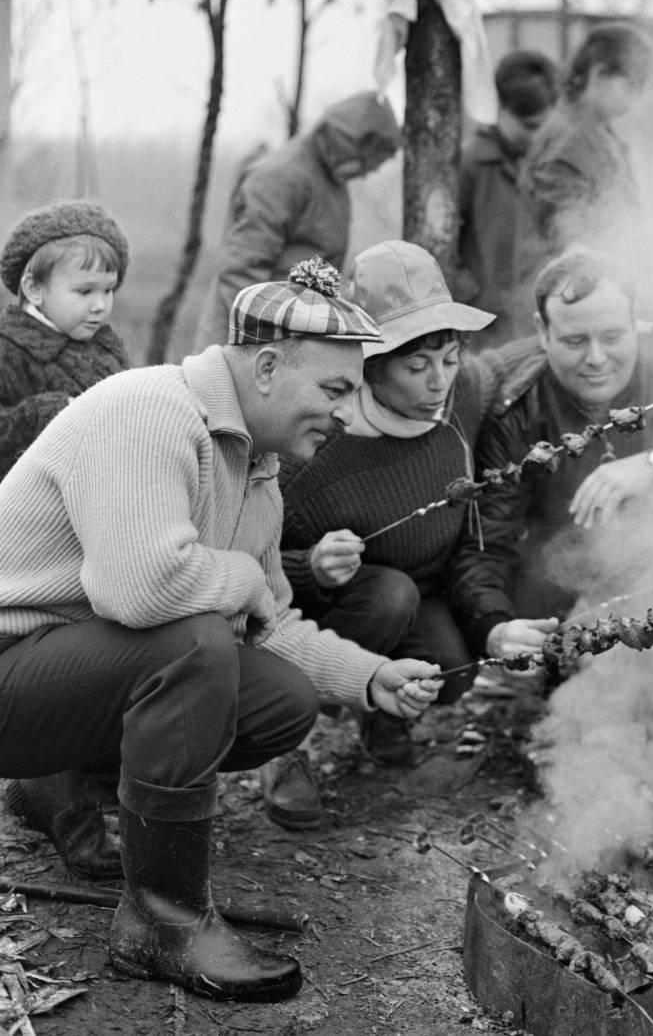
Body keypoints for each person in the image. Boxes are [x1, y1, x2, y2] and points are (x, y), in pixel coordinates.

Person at [0, 258, 441, 1002]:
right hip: (12, 662)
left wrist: (366, 677)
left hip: (64, 670)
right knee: (196, 645)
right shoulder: (150, 411)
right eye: (334, 389)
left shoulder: (255, 466)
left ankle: (64, 782)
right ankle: (162, 919)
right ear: (266, 366)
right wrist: (238, 578)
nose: (344, 414)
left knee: (280, 699)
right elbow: (143, 591)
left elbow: (266, 621)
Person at [271, 242, 496, 804]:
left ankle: (381, 711)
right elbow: (255, 563)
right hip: (334, 606)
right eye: (417, 366)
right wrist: (312, 566)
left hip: (425, 595)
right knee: (389, 596)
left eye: (449, 359)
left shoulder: (463, 395)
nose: (438, 382)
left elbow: (515, 366)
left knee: (455, 663)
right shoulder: (319, 447)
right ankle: (281, 740)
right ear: (370, 365)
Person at [446, 247, 653, 667]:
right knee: (555, 650)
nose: (597, 359)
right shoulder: (517, 412)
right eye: (575, 340)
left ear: (636, 323)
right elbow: (487, 543)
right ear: (543, 332)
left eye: (613, 337)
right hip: (558, 569)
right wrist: (493, 626)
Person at [191, 91, 402, 350]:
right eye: (370, 160)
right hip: (249, 340)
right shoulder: (280, 177)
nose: (368, 171)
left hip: (291, 336)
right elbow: (241, 272)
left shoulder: (330, 178)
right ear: (351, 143)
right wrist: (262, 345)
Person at [0, 199, 132, 480]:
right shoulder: (7, 352)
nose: (100, 305)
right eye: (85, 292)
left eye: (108, 290)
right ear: (35, 289)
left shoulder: (106, 347)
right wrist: (50, 413)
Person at [517, 22, 653, 270]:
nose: (636, 100)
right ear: (599, 75)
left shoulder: (596, 132)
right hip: (570, 294)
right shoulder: (568, 143)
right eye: (632, 86)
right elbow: (573, 237)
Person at [455, 49, 557, 346]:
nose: (536, 137)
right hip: (484, 328)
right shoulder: (471, 163)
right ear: (501, 109)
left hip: (538, 320)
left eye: (543, 127)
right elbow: (442, 246)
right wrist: (473, 295)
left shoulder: (550, 164)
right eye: (529, 127)